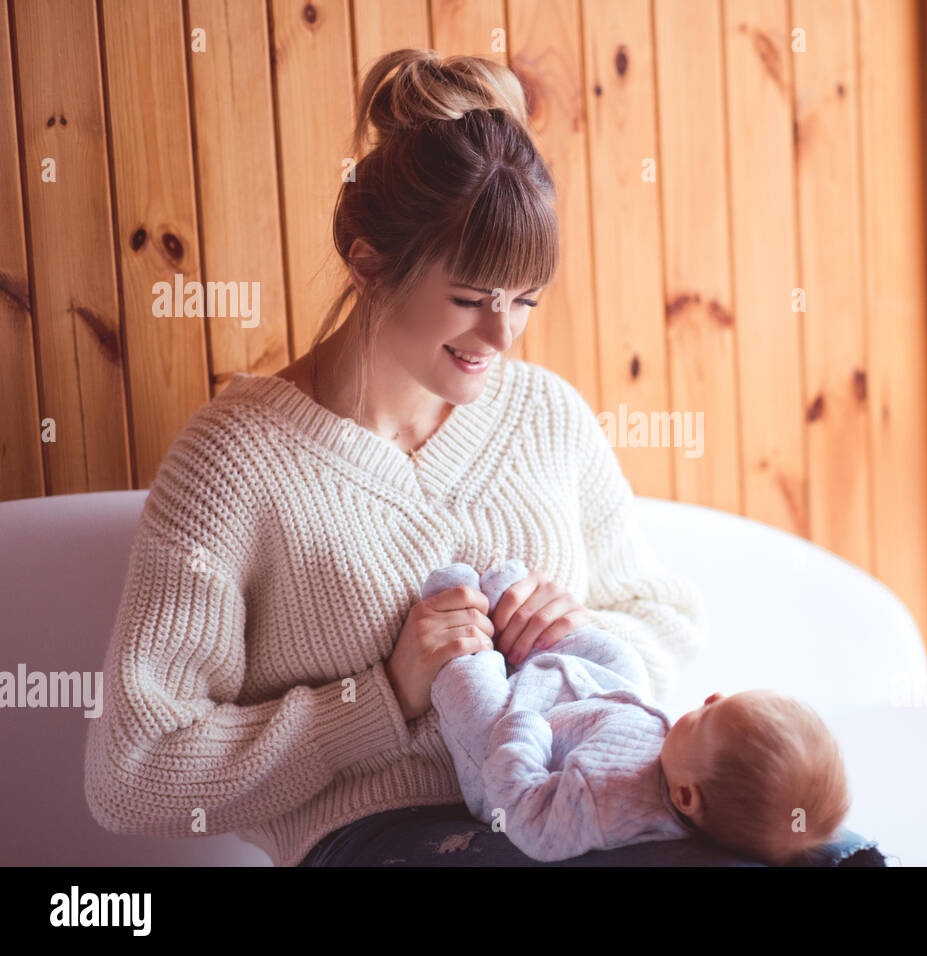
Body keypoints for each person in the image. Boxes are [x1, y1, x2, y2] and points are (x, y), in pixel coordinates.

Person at [83, 48, 711, 867]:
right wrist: (381, 699)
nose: (501, 337)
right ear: (370, 262)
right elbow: (131, 772)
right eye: (469, 299)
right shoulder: (234, 463)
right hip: (394, 839)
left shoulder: (547, 415)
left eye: (523, 300)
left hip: (593, 803)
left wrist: (586, 641)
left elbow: (670, 622)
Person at [424, 558, 857, 866]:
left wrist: (520, 732)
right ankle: (516, 610)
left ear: (686, 797)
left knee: (473, 700)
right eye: (724, 700)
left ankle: (460, 626)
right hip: (587, 706)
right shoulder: (689, 761)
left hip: (504, 751)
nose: (710, 698)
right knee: (624, 661)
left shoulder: (601, 808)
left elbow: (523, 812)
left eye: (707, 717)